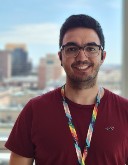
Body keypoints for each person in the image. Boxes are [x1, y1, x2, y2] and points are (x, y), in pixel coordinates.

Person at [5, 14, 128, 165]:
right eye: (72, 49)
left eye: (91, 48)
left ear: (102, 56)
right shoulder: (35, 110)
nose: (82, 57)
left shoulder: (124, 110)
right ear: (60, 57)